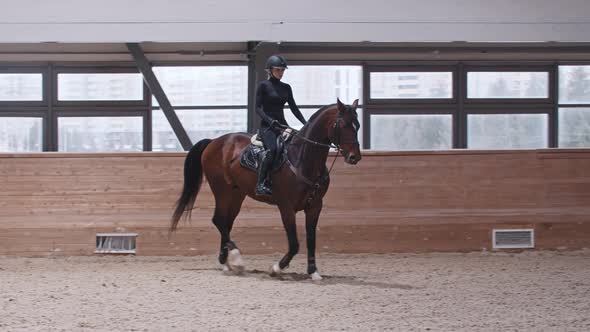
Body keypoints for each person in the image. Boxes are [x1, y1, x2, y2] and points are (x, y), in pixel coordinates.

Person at [254, 55, 307, 196]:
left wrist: (306, 124)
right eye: (278, 70)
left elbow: (294, 108)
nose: (281, 73)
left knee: (297, 146)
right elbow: (257, 108)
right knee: (272, 149)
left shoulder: (286, 87)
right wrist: (270, 121)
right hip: (267, 126)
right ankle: (261, 183)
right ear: (270, 70)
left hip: (282, 125)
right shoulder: (263, 86)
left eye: (283, 70)